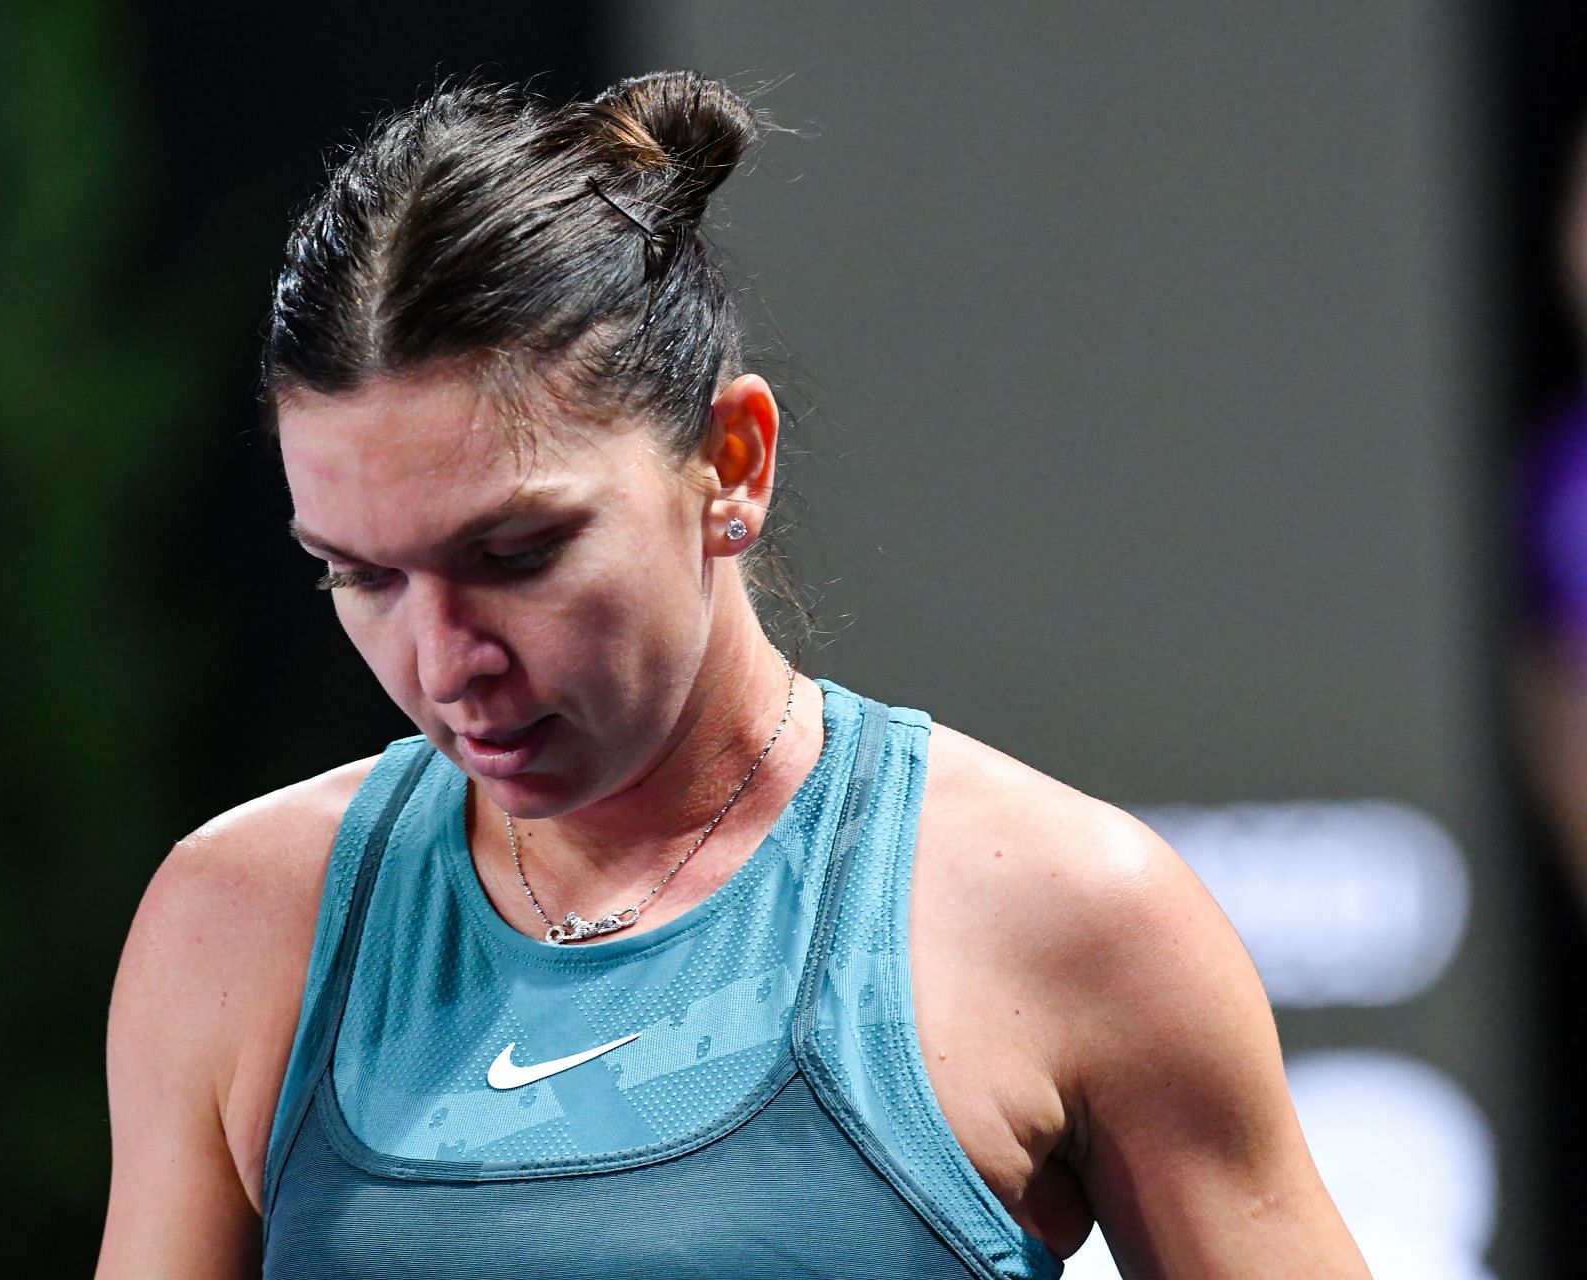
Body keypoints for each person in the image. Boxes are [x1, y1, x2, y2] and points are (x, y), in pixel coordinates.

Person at [95, 71, 1369, 1279]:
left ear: (732, 461)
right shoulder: (238, 924)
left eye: (516, 551)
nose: (444, 663)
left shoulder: (1071, 916)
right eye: (359, 574)